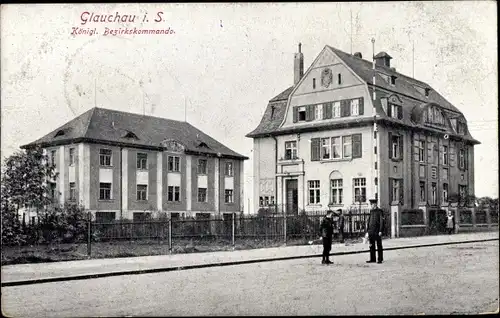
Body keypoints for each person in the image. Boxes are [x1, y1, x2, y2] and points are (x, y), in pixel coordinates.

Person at [366, 198, 384, 264]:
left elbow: (381, 221)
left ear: (375, 204)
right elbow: (369, 221)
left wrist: (380, 230)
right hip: (371, 231)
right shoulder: (371, 211)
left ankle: (380, 259)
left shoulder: (379, 211)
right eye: (371, 204)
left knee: (379, 245)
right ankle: (372, 258)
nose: (371, 206)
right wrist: (367, 230)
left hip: (377, 231)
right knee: (371, 245)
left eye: (372, 204)